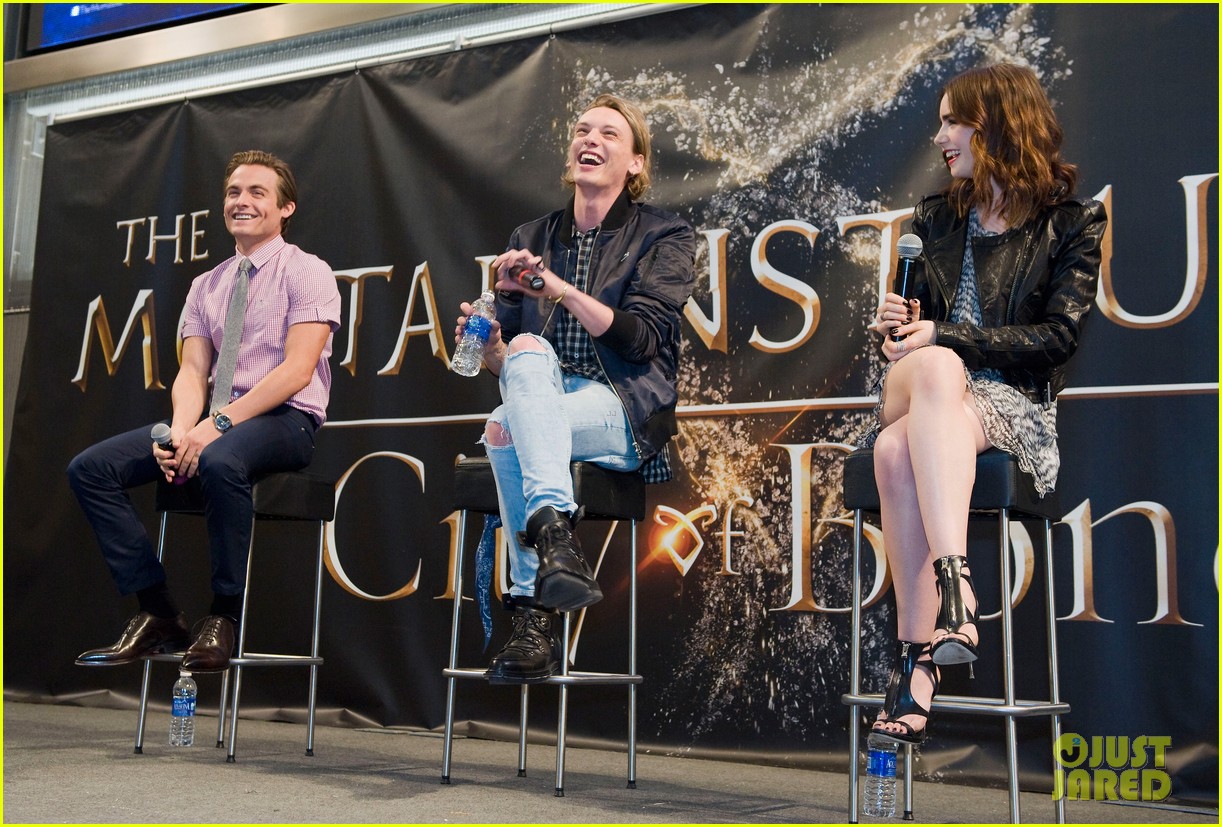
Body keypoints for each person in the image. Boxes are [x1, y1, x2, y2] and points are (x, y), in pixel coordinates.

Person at [861, 64, 1106, 744]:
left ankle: (916, 667)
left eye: (951, 120)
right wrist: (898, 331)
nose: (939, 135)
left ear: (993, 122)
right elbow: (918, 344)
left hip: (1011, 405)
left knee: (891, 448)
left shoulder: (1072, 221)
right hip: (923, 383)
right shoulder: (935, 217)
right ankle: (955, 581)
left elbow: (1058, 337)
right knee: (933, 365)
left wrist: (945, 335)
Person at [69, 150, 342, 674]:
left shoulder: (308, 271)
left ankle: (223, 616)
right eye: (234, 193)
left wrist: (214, 428)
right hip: (214, 420)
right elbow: (192, 372)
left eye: (257, 193)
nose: (242, 202)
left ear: (286, 208)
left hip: (286, 420)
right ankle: (158, 612)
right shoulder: (206, 285)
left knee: (219, 461)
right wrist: (180, 432)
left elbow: (297, 371)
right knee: (91, 468)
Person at [454, 94, 695, 683]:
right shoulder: (533, 234)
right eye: (583, 130)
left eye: (609, 134)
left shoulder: (665, 234)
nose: (591, 140)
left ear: (636, 163)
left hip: (626, 410)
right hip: (545, 402)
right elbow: (512, 363)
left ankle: (532, 609)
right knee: (517, 383)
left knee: (505, 425)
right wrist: (489, 351)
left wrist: (558, 288)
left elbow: (640, 341)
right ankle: (555, 538)